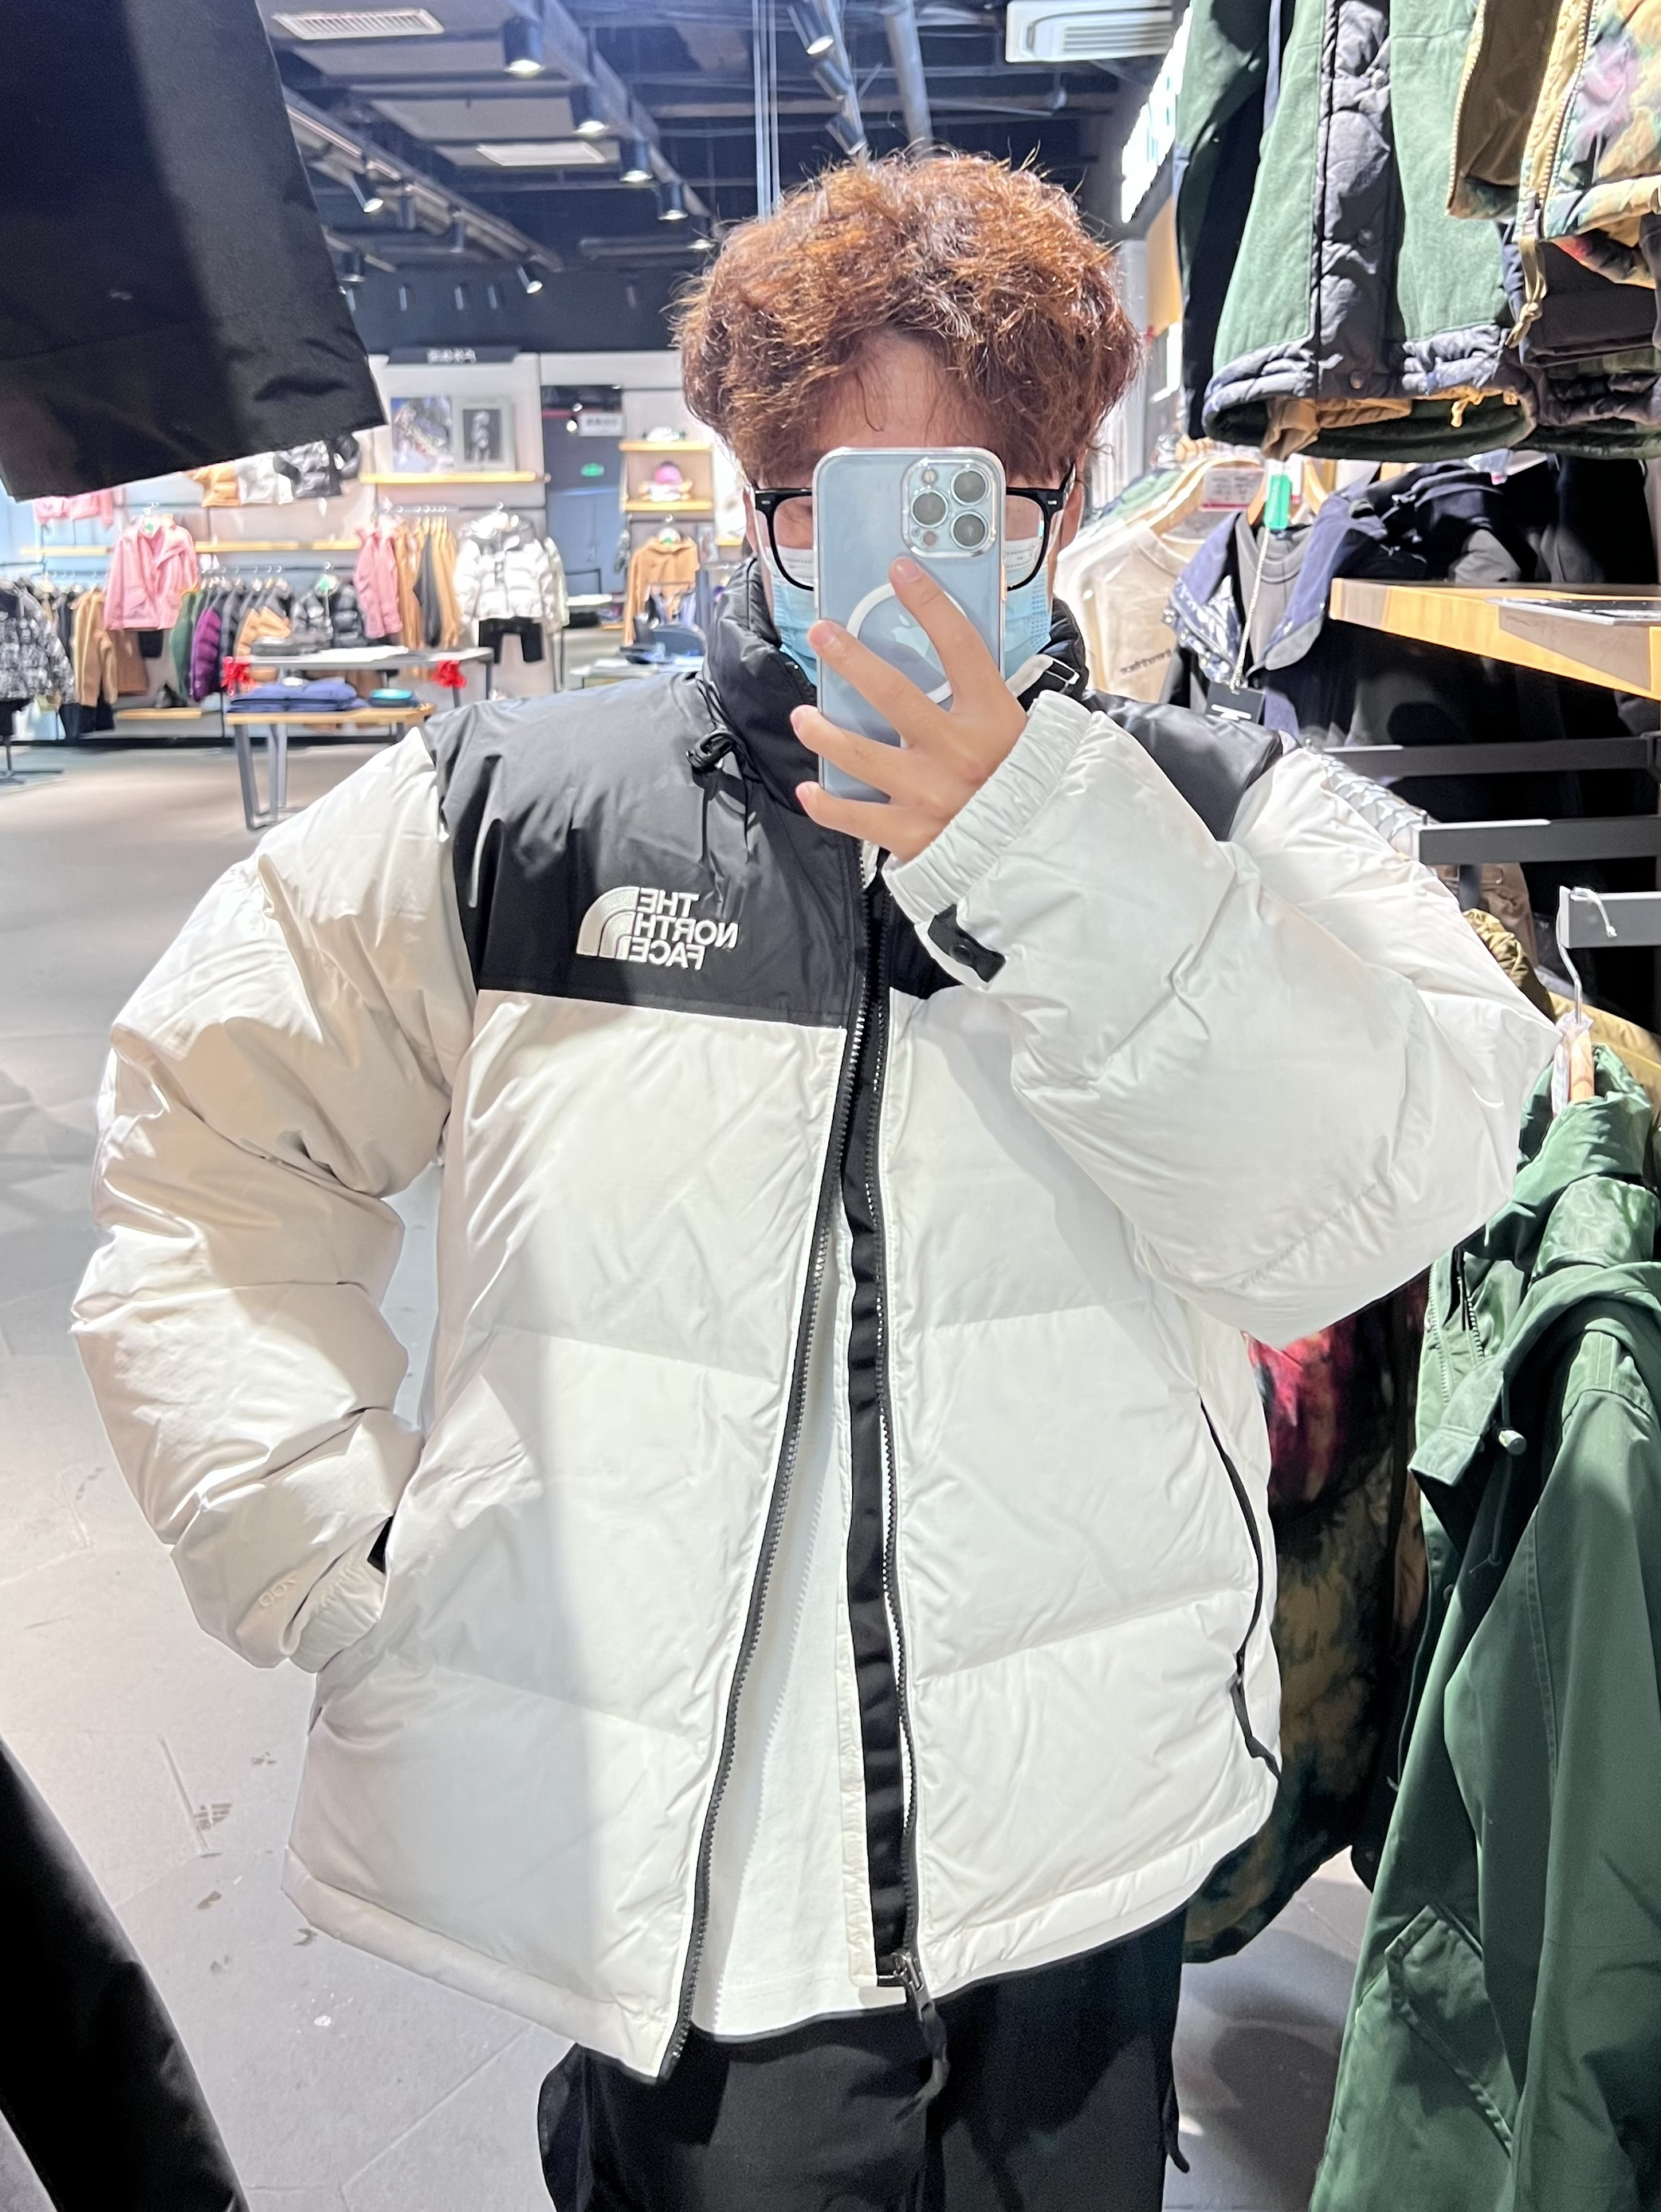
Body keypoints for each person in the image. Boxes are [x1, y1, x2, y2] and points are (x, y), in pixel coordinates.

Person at [73, 155, 1553, 2211]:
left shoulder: (1212, 816)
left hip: (1085, 1834)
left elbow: (1384, 1191)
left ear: (1060, 505)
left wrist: (1040, 843)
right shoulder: (520, 814)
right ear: (752, 496)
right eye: (828, 502)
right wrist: (319, 1544)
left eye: (977, 502)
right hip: (683, 1873)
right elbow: (204, 1141)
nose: (899, 565)